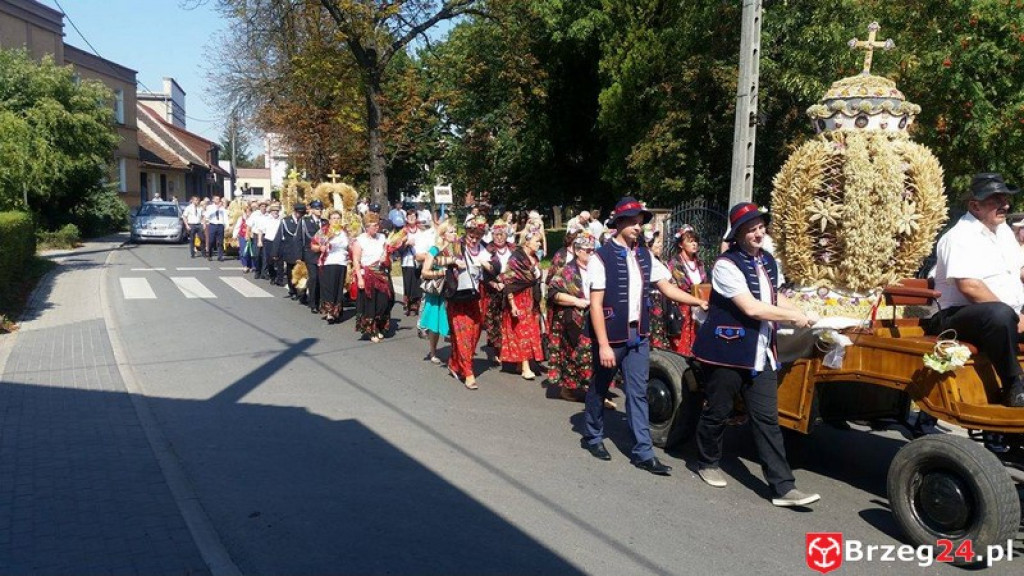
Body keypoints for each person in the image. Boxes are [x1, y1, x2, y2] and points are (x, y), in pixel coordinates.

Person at [692, 202, 821, 506]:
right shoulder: (726, 265)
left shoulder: (768, 261)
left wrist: (807, 312)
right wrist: (793, 318)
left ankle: (783, 487)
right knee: (719, 412)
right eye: (751, 229)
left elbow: (777, 298)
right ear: (737, 235)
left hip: (761, 353)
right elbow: (751, 307)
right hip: (727, 351)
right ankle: (707, 461)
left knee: (767, 420)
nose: (758, 233)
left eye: (761, 227)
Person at [582, 196, 708, 476]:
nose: (639, 227)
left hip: (638, 335)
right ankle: (592, 435)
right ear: (619, 224)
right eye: (634, 222)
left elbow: (665, 286)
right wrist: (602, 345)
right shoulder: (600, 257)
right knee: (600, 386)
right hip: (611, 335)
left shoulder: (644, 255)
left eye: (641, 222)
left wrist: (695, 301)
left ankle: (643, 452)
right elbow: (596, 304)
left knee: (638, 392)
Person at [927, 173, 1024, 408]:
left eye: (1006, 199)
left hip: (1000, 318)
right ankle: (1014, 387)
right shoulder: (959, 237)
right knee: (998, 314)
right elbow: (970, 287)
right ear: (975, 206)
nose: (1005, 205)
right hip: (954, 317)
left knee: (1000, 315)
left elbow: (1020, 271)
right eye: (996, 200)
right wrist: (1014, 316)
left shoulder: (1003, 234)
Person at [547, 232, 597, 402]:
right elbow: (553, 293)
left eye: (593, 250)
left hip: (594, 317)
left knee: (592, 354)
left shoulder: (598, 269)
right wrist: (576, 301)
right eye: (588, 250)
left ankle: (596, 392)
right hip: (572, 319)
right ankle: (570, 389)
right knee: (573, 354)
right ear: (578, 251)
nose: (592, 253)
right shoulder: (566, 271)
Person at [498, 226, 545, 379]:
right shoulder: (515, 259)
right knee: (522, 331)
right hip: (518, 298)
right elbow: (508, 282)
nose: (539, 244)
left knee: (532, 331)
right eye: (537, 241)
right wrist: (512, 305)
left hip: (531, 298)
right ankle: (525, 367)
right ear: (527, 242)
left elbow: (537, 278)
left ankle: (520, 364)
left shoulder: (535, 258)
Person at [447, 217, 488, 389]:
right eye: (471, 234)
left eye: (477, 236)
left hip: (474, 297)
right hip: (457, 297)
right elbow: (434, 259)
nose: (473, 238)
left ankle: (455, 364)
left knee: (474, 335)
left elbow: (494, 269)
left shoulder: (484, 249)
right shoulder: (456, 245)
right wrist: (453, 261)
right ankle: (469, 373)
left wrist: (491, 268)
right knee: (462, 334)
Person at [666, 225, 707, 356]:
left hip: (699, 308)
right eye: (690, 241)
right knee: (681, 348)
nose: (694, 244)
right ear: (681, 244)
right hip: (682, 310)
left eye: (695, 241)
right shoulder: (674, 263)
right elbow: (677, 286)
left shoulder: (700, 263)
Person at [352, 213, 393, 342]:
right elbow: (356, 261)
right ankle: (372, 330)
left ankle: (380, 326)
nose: (377, 227)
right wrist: (359, 278)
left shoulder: (382, 237)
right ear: (367, 227)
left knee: (385, 301)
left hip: (381, 273)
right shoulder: (359, 241)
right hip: (368, 274)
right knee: (370, 304)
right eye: (374, 225)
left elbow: (387, 251)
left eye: (377, 225)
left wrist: (385, 256)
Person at [420, 222, 457, 365]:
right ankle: (433, 351)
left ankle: (455, 353)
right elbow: (425, 272)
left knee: (453, 322)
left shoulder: (456, 250)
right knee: (434, 324)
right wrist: (441, 272)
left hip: (452, 290)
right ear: (443, 235)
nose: (455, 234)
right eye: (451, 231)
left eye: (455, 231)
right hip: (437, 290)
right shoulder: (434, 250)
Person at [481, 219, 514, 355]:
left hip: (511, 288)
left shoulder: (513, 248)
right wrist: (495, 284)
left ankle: (510, 347)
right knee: (495, 320)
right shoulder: (488, 250)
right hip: (494, 289)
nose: (499, 238)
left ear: (506, 235)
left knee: (509, 319)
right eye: (496, 235)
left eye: (502, 234)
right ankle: (497, 350)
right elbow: (483, 274)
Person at [312, 210, 349, 323]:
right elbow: (313, 245)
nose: (336, 220)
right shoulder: (323, 231)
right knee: (328, 287)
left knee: (338, 287)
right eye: (333, 218)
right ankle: (329, 311)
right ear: (329, 220)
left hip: (341, 262)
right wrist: (320, 248)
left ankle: (337, 310)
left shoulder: (345, 231)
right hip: (328, 262)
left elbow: (351, 245)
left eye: (338, 218)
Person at [396, 209, 423, 317]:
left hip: (418, 260)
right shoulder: (403, 231)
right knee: (408, 284)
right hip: (407, 261)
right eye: (409, 216)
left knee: (418, 283)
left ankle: (416, 304)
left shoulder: (421, 230)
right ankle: (408, 305)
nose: (411, 218)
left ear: (416, 218)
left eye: (413, 216)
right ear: (406, 218)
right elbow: (397, 249)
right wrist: (406, 243)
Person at [300, 200, 325, 313]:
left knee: (321, 279)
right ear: (312, 210)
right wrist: (299, 256)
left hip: (323, 254)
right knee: (314, 278)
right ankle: (313, 303)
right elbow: (299, 238)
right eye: (317, 208)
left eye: (320, 208)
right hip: (310, 253)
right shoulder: (305, 221)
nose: (319, 210)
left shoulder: (325, 222)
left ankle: (320, 302)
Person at [279, 204, 306, 294]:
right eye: (299, 213)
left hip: (302, 250)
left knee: (302, 272)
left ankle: (301, 292)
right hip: (290, 250)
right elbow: (280, 236)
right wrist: (275, 252)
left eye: (302, 213)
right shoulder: (286, 221)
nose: (300, 215)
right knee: (290, 271)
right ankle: (292, 289)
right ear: (295, 211)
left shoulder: (305, 221)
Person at [257, 203, 283, 282]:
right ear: (271, 211)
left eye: (277, 211)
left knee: (279, 261)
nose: (276, 212)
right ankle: (272, 275)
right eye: (274, 210)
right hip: (269, 241)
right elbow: (260, 230)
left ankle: (279, 279)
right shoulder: (266, 219)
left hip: (279, 242)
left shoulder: (282, 220)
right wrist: (259, 240)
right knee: (269, 261)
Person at [203, 196, 228, 261]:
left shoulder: (222, 208)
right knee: (211, 241)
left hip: (220, 225)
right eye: (216, 199)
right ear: (213, 200)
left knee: (220, 242)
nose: (218, 200)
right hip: (212, 225)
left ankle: (220, 256)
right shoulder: (210, 207)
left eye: (219, 199)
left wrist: (226, 225)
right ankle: (210, 255)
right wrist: (217, 208)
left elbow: (225, 217)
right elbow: (207, 215)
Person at [233, 204, 254, 273]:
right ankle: (245, 265)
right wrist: (234, 235)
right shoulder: (241, 218)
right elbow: (237, 227)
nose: (248, 213)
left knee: (251, 252)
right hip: (242, 237)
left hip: (252, 237)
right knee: (244, 251)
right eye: (247, 212)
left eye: (249, 212)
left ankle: (251, 265)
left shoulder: (253, 218)